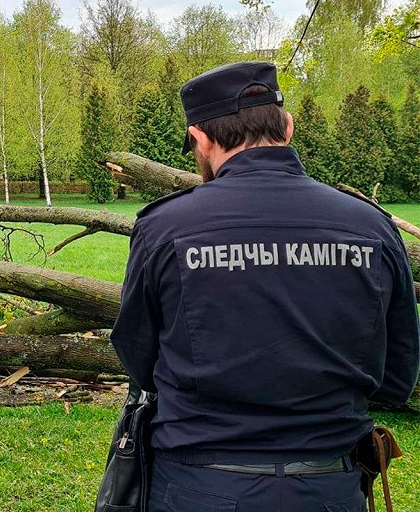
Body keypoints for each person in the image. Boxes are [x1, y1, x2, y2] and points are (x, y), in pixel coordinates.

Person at [110, 61, 420, 512]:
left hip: (198, 486)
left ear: (201, 139)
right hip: (329, 485)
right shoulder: (370, 225)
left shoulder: (165, 226)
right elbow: (397, 377)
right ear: (287, 127)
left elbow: (138, 359)